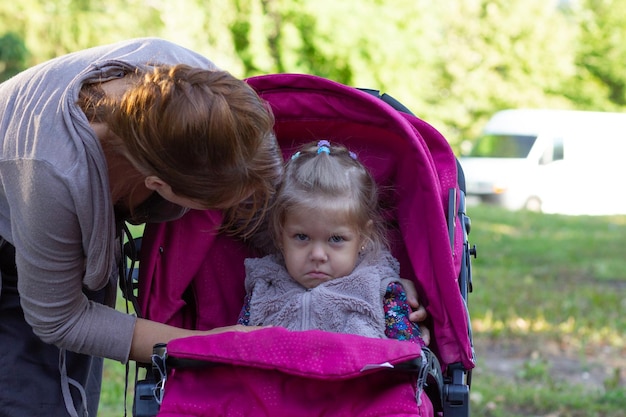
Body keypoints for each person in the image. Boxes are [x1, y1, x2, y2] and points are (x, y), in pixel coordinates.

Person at [0, 37, 283, 417]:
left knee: (75, 390)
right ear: (159, 187)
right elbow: (61, 319)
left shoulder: (202, 90)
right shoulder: (54, 173)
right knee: (31, 399)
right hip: (18, 219)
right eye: (217, 207)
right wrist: (206, 344)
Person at [238, 140, 427, 346]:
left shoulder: (381, 290)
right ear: (280, 235)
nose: (318, 254)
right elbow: (237, 352)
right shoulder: (263, 285)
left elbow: (408, 357)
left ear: (363, 238)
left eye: (336, 239)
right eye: (301, 237)